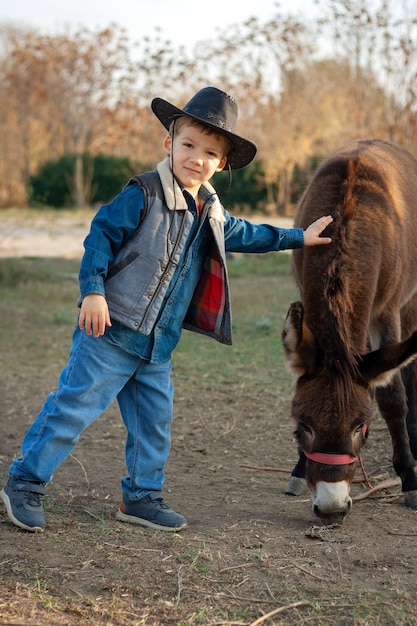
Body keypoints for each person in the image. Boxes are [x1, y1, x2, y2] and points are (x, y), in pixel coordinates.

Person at [0, 86, 333, 533]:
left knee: (154, 426)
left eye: (210, 152)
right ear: (169, 144)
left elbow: (252, 234)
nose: (197, 158)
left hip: (158, 346)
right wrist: (92, 290)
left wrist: (299, 237)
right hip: (110, 333)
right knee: (72, 410)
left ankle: (140, 496)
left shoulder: (212, 213)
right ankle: (25, 482)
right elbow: (100, 237)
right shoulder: (143, 193)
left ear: (221, 164)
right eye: (189, 145)